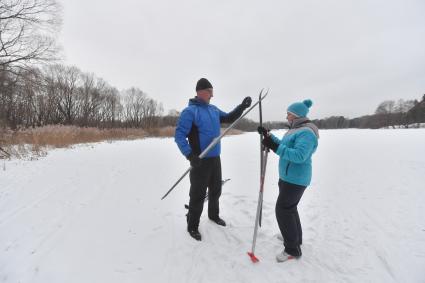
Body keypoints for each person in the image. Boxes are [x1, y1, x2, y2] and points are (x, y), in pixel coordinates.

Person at [175, 78, 252, 241]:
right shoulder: (190, 112)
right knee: (197, 194)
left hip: (215, 158)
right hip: (199, 160)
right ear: (200, 92)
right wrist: (190, 155)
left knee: (216, 190)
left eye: (212, 92)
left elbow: (229, 118)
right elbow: (179, 135)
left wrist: (242, 107)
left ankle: (213, 215)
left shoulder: (213, 110)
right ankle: (192, 225)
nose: (212, 95)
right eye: (210, 91)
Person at [257, 99, 319, 262]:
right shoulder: (295, 130)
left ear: (296, 115)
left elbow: (299, 155)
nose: (286, 117)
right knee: (290, 208)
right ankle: (295, 238)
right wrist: (269, 136)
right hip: (288, 177)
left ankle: (292, 248)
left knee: (283, 210)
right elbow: (284, 145)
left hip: (296, 179)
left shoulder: (306, 132)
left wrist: (275, 147)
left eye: (289, 114)